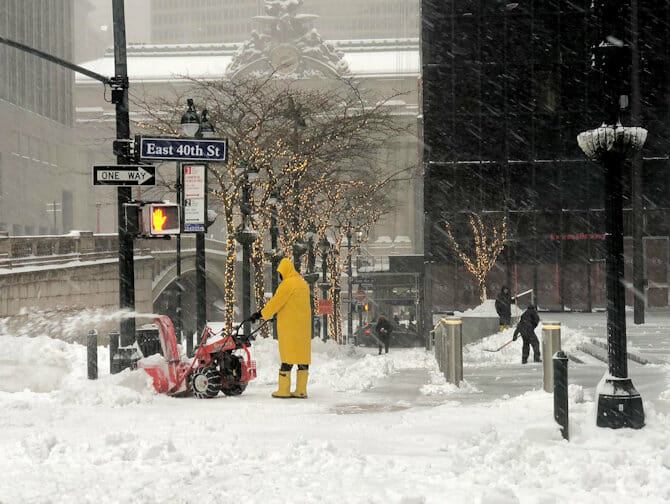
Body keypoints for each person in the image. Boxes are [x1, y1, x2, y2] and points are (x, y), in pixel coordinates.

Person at [250, 258, 311, 398]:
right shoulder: (303, 284)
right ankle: (301, 390)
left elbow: (276, 302)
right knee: (302, 358)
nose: (281, 276)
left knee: (288, 357)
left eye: (281, 274)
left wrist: (260, 314)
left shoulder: (288, 284)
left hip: (290, 327)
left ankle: (283, 390)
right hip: (303, 328)